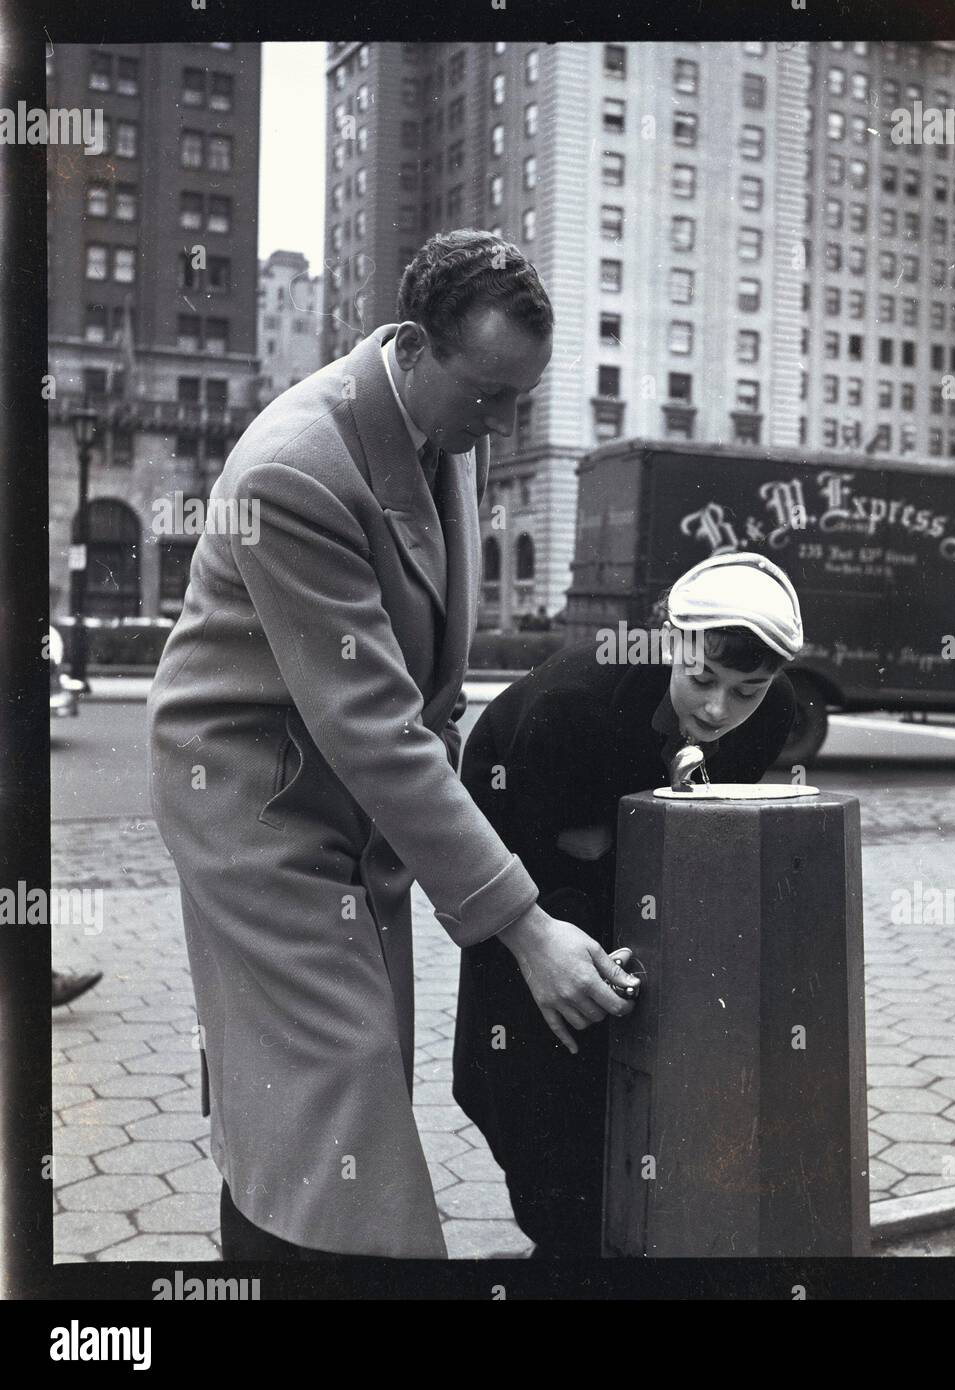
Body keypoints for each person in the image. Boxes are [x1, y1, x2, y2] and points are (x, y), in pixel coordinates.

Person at [146, 230, 637, 1262]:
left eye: (518, 403)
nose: (498, 425)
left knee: (311, 1108)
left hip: (355, 808)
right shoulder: (295, 470)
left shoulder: (432, 429)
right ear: (413, 346)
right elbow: (375, 724)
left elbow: (417, 712)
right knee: (346, 1108)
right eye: (487, 396)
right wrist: (525, 927)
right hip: (261, 811)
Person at [453, 553, 803, 1257]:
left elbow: (705, 827)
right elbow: (504, 849)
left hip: (618, 868)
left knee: (628, 1070)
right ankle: (562, 1238)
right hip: (520, 847)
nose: (718, 709)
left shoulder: (773, 719)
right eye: (703, 679)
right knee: (526, 1070)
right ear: (672, 643)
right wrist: (550, 925)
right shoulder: (570, 709)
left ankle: (605, 1234)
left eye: (747, 691)